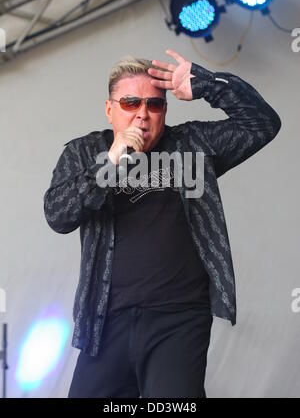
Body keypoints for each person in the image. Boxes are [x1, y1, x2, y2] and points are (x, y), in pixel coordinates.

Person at [44, 49, 281, 398]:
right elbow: (57, 215)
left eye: (154, 105)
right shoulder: (84, 153)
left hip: (179, 319)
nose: (142, 113)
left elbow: (262, 123)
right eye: (130, 103)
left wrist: (208, 84)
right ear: (110, 110)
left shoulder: (192, 145)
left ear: (165, 111)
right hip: (105, 322)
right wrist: (108, 164)